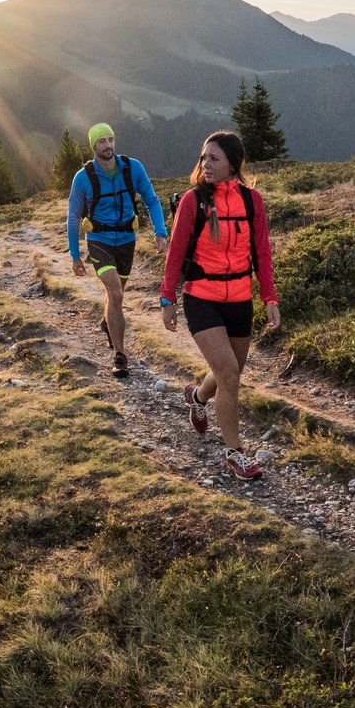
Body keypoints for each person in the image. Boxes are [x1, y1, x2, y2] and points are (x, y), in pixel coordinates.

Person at [160, 130, 281, 482]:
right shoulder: (192, 201)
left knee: (231, 372)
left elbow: (262, 253)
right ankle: (234, 453)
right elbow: (175, 253)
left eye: (214, 158)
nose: (205, 164)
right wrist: (167, 298)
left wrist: (269, 298)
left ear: (233, 164)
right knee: (229, 374)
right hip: (202, 298)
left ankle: (198, 397)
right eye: (203, 158)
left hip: (240, 298)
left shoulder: (251, 201)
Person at [66, 122, 168, 378]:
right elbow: (73, 217)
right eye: (102, 141)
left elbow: (151, 199)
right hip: (99, 240)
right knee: (115, 292)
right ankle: (120, 355)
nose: (108, 145)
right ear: (93, 146)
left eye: (110, 139)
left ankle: (107, 322)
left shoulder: (133, 168)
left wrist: (160, 232)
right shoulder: (83, 178)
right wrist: (75, 255)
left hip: (126, 240)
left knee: (117, 295)